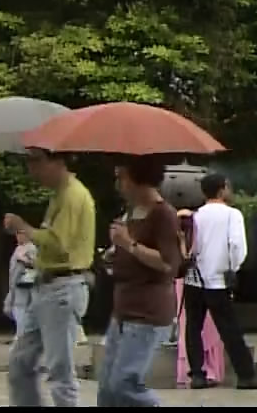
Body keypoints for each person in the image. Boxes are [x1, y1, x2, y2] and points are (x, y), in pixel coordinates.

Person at [4, 146, 97, 407]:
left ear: (58, 161)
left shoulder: (72, 195)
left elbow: (59, 243)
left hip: (63, 287)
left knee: (60, 369)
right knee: (20, 363)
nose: (32, 169)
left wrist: (23, 227)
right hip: (46, 285)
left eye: (37, 161)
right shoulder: (59, 195)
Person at [97, 157, 184, 407]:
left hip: (147, 312)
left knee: (124, 383)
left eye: (121, 177)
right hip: (123, 309)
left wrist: (129, 245)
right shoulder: (131, 212)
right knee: (107, 387)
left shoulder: (162, 214)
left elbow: (169, 264)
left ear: (138, 178)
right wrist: (116, 253)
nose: (118, 184)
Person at [182, 173, 257, 390]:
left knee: (193, 326)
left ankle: (197, 374)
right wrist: (233, 268)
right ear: (223, 189)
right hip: (218, 278)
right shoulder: (232, 215)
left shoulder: (195, 215)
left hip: (194, 277)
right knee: (229, 328)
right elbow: (237, 245)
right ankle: (246, 374)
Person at [172, 207, 226, 388]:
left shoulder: (178, 225)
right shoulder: (202, 224)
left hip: (185, 281)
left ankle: (192, 370)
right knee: (207, 326)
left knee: (189, 325)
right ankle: (210, 368)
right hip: (208, 280)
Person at [4, 228, 38, 339]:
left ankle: (21, 333)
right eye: (17, 234)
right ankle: (24, 330)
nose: (18, 236)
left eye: (21, 234)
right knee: (9, 308)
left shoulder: (31, 247)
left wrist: (24, 260)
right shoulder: (18, 248)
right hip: (15, 281)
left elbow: (35, 263)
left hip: (25, 281)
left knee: (19, 306)